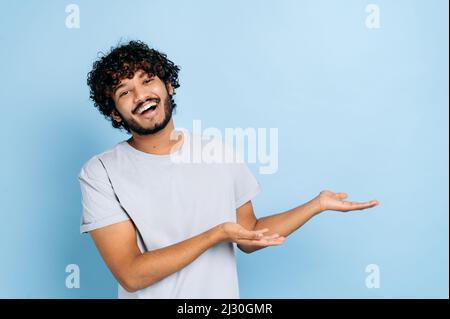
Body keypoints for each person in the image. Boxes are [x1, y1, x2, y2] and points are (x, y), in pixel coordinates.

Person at [79, 40, 379, 298]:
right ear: (115, 114)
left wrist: (315, 205)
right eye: (124, 92)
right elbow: (131, 274)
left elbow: (247, 233)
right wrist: (215, 235)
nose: (141, 95)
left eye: (147, 80)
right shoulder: (101, 172)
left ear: (168, 85)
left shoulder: (217, 151)